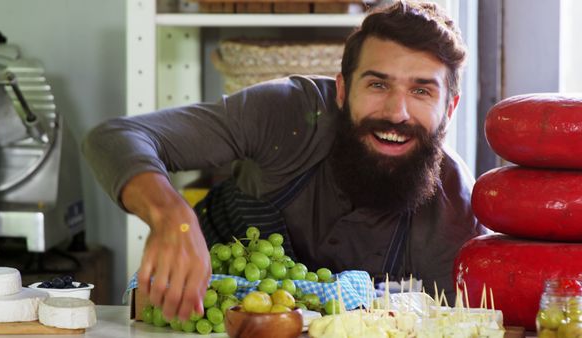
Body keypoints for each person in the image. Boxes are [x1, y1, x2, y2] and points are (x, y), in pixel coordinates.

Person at [82, 0, 486, 322]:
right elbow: (115, 138)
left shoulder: (455, 213)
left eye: (421, 92)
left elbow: (449, 325)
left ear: (450, 108)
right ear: (342, 91)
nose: (397, 113)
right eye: (378, 84)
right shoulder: (289, 114)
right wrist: (171, 216)